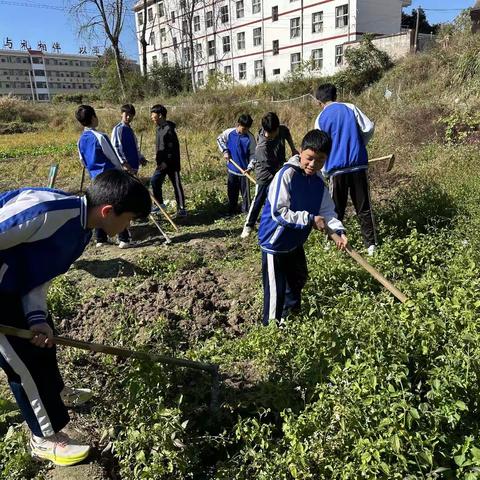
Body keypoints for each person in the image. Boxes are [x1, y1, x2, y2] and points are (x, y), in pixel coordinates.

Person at [0, 170, 151, 466]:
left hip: (14, 287)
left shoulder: (81, 231)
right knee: (22, 364)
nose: (127, 226)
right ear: (108, 211)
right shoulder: (46, 213)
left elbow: (38, 273)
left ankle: (57, 394)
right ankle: (43, 439)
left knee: (44, 340)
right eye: (129, 219)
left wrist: (36, 317)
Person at [258, 130, 348, 326]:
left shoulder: (318, 182)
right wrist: (309, 219)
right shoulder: (286, 175)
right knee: (276, 290)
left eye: (320, 160)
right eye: (309, 158)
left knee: (298, 279)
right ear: (300, 152)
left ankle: (291, 318)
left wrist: (339, 232)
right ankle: (272, 329)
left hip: (295, 241)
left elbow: (327, 212)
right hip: (275, 242)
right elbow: (279, 212)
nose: (313, 164)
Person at [314, 83, 377, 256]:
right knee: (363, 206)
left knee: (334, 210)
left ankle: (332, 242)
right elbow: (369, 128)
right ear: (335, 95)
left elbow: (318, 145)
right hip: (358, 166)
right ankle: (371, 245)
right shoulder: (351, 108)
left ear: (319, 101)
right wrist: (360, 144)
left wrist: (323, 168)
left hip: (336, 170)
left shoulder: (321, 117)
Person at [76, 104, 135, 248]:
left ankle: (100, 239)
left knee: (99, 206)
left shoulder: (80, 140)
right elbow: (113, 157)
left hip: (95, 179)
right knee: (117, 206)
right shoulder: (100, 136)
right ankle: (124, 239)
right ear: (93, 118)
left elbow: (82, 161)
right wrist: (121, 172)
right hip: (110, 177)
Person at [241, 112, 297, 238]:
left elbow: (286, 132)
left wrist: (293, 148)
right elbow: (268, 165)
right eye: (266, 132)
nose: (267, 135)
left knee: (284, 196)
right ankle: (248, 225)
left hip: (279, 166)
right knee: (259, 199)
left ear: (277, 129)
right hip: (265, 173)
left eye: (271, 132)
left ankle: (283, 222)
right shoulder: (262, 145)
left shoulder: (281, 130)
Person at [150, 104, 187, 217]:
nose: (151, 117)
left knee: (176, 184)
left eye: (153, 114)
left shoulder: (169, 130)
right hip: (161, 164)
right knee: (155, 181)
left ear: (160, 115)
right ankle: (160, 205)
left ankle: (182, 209)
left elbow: (172, 148)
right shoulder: (158, 129)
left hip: (172, 164)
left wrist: (166, 161)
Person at [217, 114, 256, 216]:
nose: (245, 131)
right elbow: (219, 139)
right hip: (232, 169)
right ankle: (232, 210)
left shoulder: (250, 138)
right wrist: (225, 151)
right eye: (243, 128)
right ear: (238, 124)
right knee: (232, 193)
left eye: (247, 129)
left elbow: (253, 154)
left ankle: (247, 213)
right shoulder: (229, 133)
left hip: (244, 172)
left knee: (246, 194)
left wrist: (250, 167)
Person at [111, 103, 147, 175]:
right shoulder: (118, 129)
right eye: (126, 115)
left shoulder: (130, 129)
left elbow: (134, 147)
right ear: (121, 114)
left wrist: (140, 158)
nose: (128, 117)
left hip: (133, 166)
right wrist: (124, 163)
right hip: (125, 168)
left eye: (130, 116)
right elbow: (116, 147)